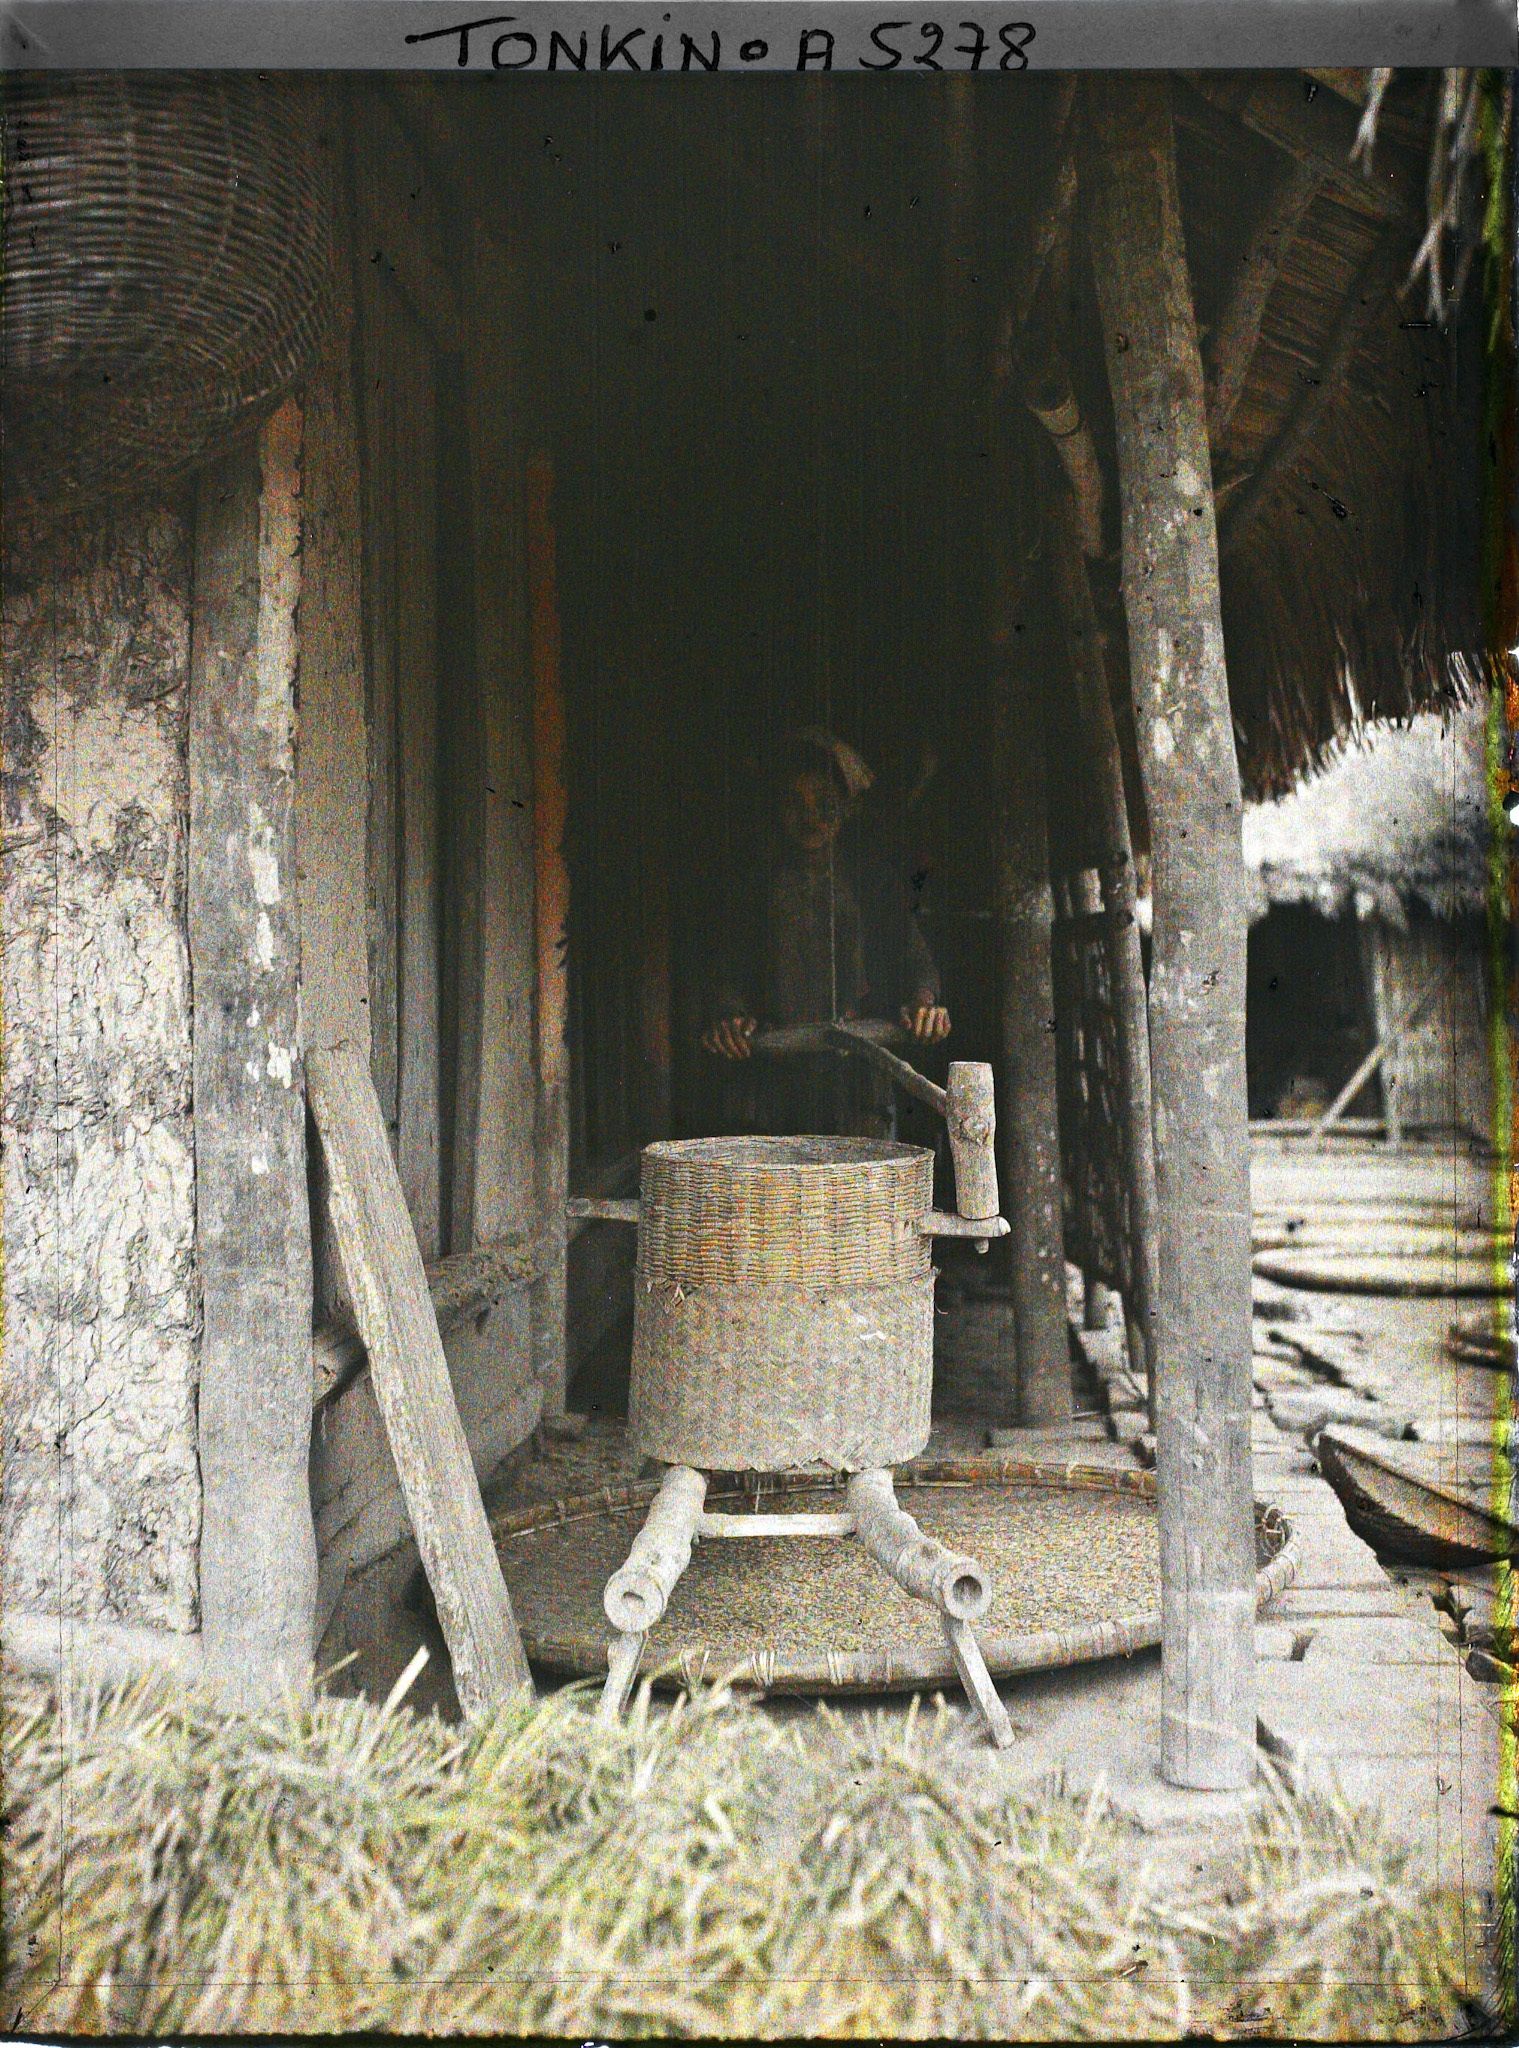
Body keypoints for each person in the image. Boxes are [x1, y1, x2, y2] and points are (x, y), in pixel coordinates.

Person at [701, 728, 950, 1137]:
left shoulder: (869, 885)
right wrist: (728, 1017)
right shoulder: (755, 890)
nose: (810, 817)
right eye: (794, 804)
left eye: (824, 803)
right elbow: (727, 971)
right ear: (777, 812)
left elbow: (915, 958)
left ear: (847, 808)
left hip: (860, 1085)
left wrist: (925, 1002)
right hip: (771, 1083)